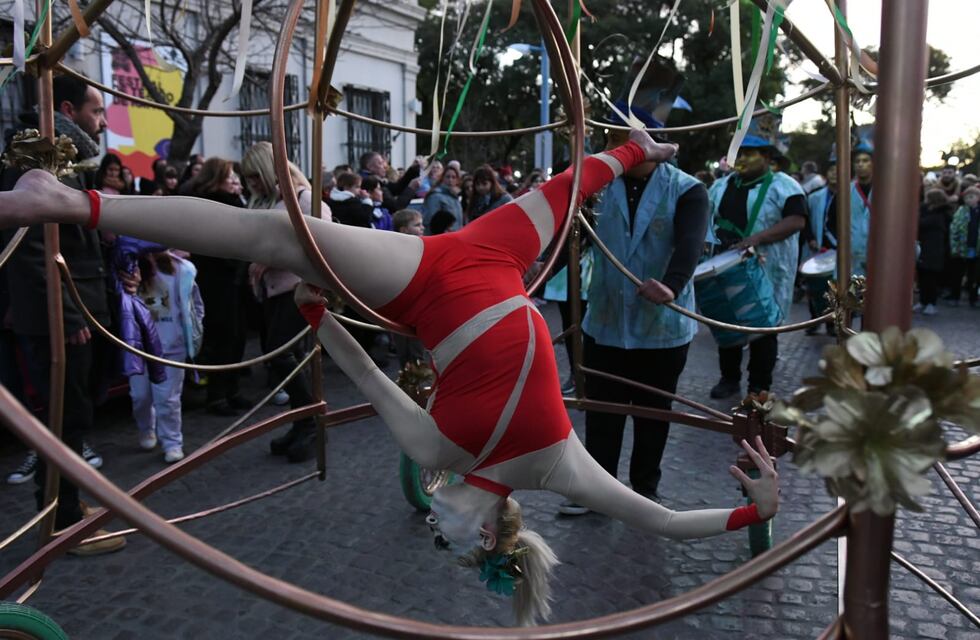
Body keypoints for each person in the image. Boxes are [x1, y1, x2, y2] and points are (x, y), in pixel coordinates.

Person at [3, 129, 780, 626]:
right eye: (454, 544)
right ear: (490, 534)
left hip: (428, 280)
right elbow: (667, 521)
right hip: (498, 257)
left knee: (280, 236)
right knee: (582, 179)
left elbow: (372, 384)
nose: (437, 531)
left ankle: (70, 202)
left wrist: (318, 318)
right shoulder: (561, 468)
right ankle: (641, 146)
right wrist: (755, 514)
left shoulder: (437, 450)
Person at [0, 74, 126, 555]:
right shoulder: (41, 157)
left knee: (75, 413)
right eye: (96, 111)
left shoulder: (72, 156)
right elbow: (33, 246)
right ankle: (61, 519)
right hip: (61, 314)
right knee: (63, 418)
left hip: (78, 305)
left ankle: (66, 504)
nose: (101, 120)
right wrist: (66, 315)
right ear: (68, 109)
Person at [706, 114, 807, 399]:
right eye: (738, 152)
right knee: (727, 326)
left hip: (767, 269)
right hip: (726, 267)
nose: (741, 159)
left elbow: (797, 221)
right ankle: (729, 378)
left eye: (748, 153)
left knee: (763, 329)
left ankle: (759, 386)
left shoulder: (784, 185)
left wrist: (757, 239)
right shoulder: (721, 186)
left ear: (766, 156)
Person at [241, 142, 327, 462]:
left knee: (281, 354)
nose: (251, 184)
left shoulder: (302, 197)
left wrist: (270, 257)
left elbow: (321, 238)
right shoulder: (270, 200)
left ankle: (310, 421)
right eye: (247, 179)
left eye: (254, 177)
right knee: (285, 356)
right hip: (274, 290)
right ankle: (303, 420)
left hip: (297, 287)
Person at [184, 158, 251, 416]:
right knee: (223, 337)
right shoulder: (214, 203)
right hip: (217, 279)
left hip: (231, 278)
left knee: (236, 336)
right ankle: (217, 395)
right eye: (229, 177)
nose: (235, 181)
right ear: (216, 180)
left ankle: (231, 390)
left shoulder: (230, 201)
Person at [131, 250, 204, 463]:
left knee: (168, 399)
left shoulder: (182, 270)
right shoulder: (130, 266)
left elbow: (195, 304)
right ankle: (146, 428)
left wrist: (190, 332)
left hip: (172, 346)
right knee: (140, 396)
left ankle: (172, 442)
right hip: (139, 347)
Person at [390, 209, 426, 367]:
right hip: (403, 304)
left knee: (417, 349)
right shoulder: (394, 250)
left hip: (417, 305)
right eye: (417, 225)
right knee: (406, 349)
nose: (422, 228)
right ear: (404, 230)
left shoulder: (421, 246)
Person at [916, 189, 951, 315]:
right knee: (923, 277)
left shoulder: (939, 214)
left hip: (934, 250)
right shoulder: (927, 210)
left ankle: (931, 303)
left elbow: (922, 223)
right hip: (926, 247)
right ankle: (923, 301)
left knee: (931, 279)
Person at [948, 186, 980, 307]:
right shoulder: (961, 211)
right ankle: (955, 296)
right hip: (962, 248)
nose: (969, 199)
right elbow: (954, 228)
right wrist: (954, 246)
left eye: (971, 197)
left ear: (978, 198)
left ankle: (973, 298)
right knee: (957, 274)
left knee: (974, 275)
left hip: (976, 248)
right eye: (966, 197)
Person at [421, 165, 463, 233]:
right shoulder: (435, 196)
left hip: (456, 236)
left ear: (457, 180)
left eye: (453, 177)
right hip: (442, 237)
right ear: (442, 178)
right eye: (447, 177)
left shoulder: (455, 197)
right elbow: (430, 221)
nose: (450, 180)